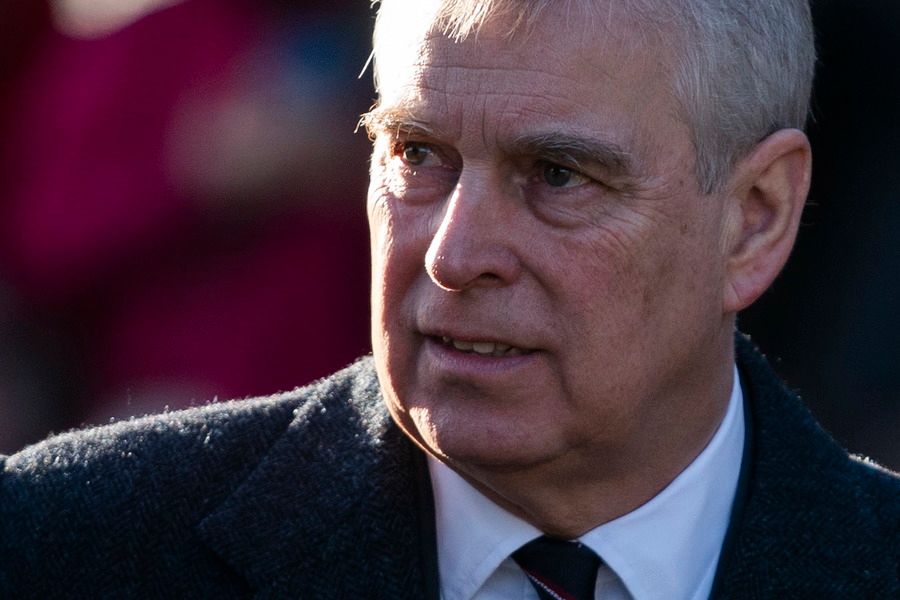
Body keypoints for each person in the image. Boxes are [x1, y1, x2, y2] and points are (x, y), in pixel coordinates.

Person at [1, 0, 898, 598]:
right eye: (418, 155)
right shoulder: (66, 549)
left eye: (557, 174)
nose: (453, 255)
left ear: (754, 218)